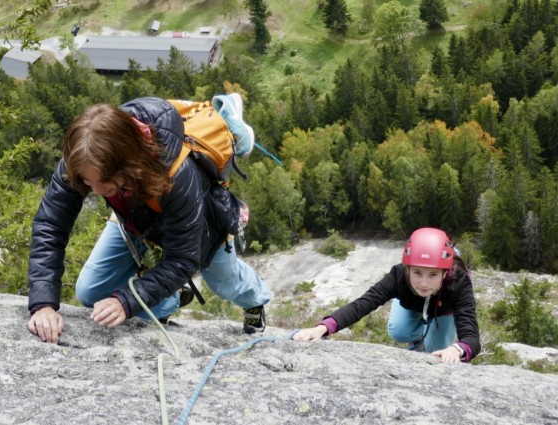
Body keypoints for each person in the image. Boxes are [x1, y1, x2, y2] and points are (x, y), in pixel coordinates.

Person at [27, 96, 271, 344]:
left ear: (130, 166)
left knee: (224, 281)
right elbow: (51, 226)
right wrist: (43, 304)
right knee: (90, 291)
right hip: (136, 216)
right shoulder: (83, 155)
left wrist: (128, 301)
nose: (97, 191)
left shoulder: (179, 175)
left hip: (200, 220)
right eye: (89, 183)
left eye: (104, 182)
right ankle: (168, 298)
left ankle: (256, 300)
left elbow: (184, 258)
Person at [293, 227, 480, 364]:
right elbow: (364, 303)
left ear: (444, 273)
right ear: (407, 269)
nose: (424, 283)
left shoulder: (459, 282)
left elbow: (470, 335)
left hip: (443, 311)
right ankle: (418, 337)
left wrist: (458, 349)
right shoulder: (398, 276)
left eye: (432, 275)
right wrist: (324, 327)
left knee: (435, 352)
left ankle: (429, 338)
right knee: (398, 331)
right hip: (411, 304)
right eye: (417, 273)